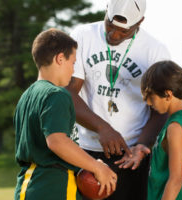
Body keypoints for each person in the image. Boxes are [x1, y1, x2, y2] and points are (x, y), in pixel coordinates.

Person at [66, 0, 171, 199]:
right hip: (86, 151)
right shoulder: (83, 36)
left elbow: (161, 110)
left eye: (124, 31)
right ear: (106, 11)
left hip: (131, 157)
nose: (114, 35)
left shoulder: (155, 51)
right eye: (110, 26)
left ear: (140, 22)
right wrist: (102, 128)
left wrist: (142, 146)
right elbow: (68, 94)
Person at [13, 28, 118, 200]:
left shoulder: (27, 96)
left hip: (28, 186)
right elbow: (57, 141)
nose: (73, 70)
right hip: (54, 187)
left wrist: (87, 163)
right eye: (73, 62)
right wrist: (97, 167)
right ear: (60, 58)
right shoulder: (57, 94)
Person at [139, 60, 182, 200]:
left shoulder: (175, 128)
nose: (148, 103)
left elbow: (175, 180)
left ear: (168, 95)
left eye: (151, 97)